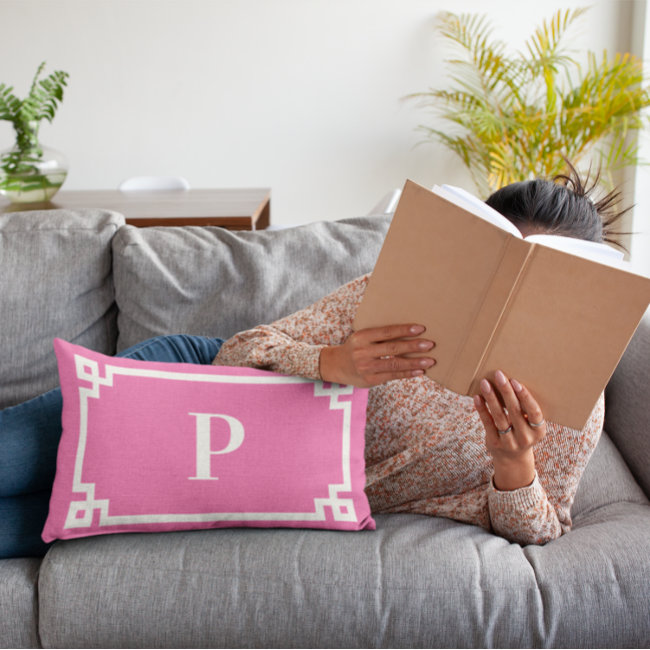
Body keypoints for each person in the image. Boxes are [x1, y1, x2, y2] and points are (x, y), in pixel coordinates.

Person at [0, 166, 626, 558]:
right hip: (191, 387)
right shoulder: (401, 303)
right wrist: (335, 363)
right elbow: (241, 352)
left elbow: (542, 531)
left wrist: (513, 463)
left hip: (242, 480)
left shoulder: (574, 404)